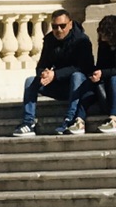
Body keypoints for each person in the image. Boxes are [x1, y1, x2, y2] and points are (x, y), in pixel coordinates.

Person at [12, 9, 95, 137]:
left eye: (62, 26)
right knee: (30, 81)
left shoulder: (82, 40)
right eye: (55, 26)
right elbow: (41, 65)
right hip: (58, 84)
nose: (59, 30)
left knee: (77, 76)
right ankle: (28, 122)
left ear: (70, 24)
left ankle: (70, 119)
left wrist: (55, 74)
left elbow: (84, 67)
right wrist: (44, 73)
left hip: (79, 87)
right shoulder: (50, 39)